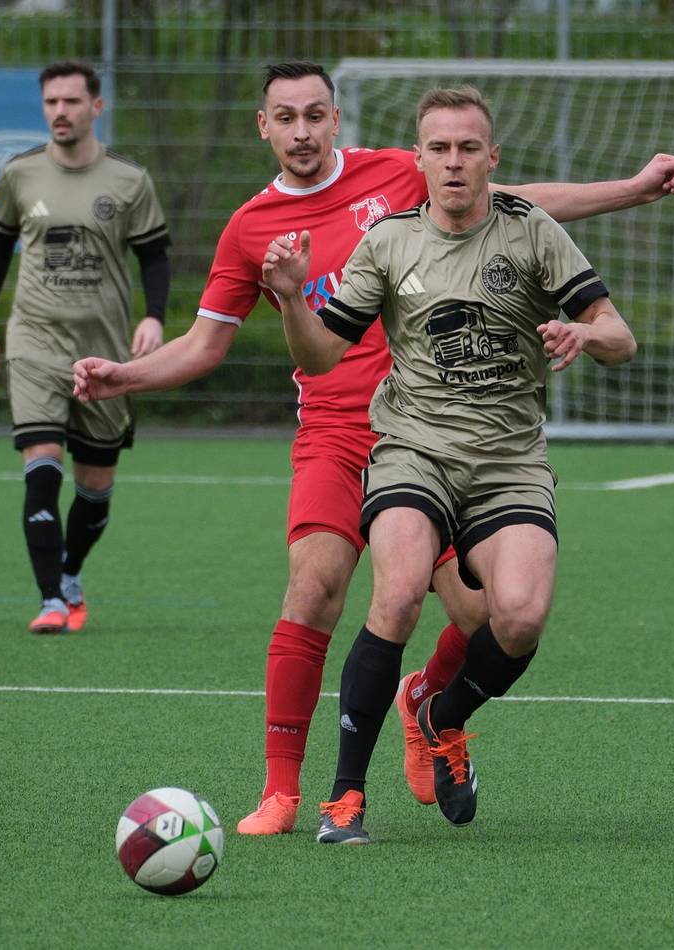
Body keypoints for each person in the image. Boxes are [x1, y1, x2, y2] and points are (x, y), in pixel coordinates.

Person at [73, 61, 674, 835]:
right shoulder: (250, 228)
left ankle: (426, 706)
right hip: (338, 434)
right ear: (262, 126)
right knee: (318, 584)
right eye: (286, 118)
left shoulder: (401, 173)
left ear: (338, 120)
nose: (302, 131)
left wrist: (630, 190)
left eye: (315, 115)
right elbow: (202, 347)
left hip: (443, 433)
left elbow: (523, 206)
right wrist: (122, 376)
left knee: (486, 614)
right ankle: (287, 792)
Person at [261, 84, 638, 844]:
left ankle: (439, 714)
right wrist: (293, 301)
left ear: (492, 159)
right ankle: (345, 798)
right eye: (439, 148)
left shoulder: (531, 231)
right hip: (414, 451)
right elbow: (322, 356)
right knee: (397, 596)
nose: (455, 161)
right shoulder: (390, 239)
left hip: (508, 461)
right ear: (420, 158)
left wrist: (583, 335)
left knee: (520, 618)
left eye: (470, 148)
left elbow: (619, 333)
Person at [0, 59, 171, 634]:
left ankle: (70, 571)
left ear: (96, 107)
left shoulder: (129, 180)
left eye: (71, 102)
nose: (60, 111)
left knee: (95, 491)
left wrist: (154, 318)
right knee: (41, 467)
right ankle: (51, 601)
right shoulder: (19, 175)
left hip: (105, 351)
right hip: (33, 341)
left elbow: (154, 255)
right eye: (51, 102)